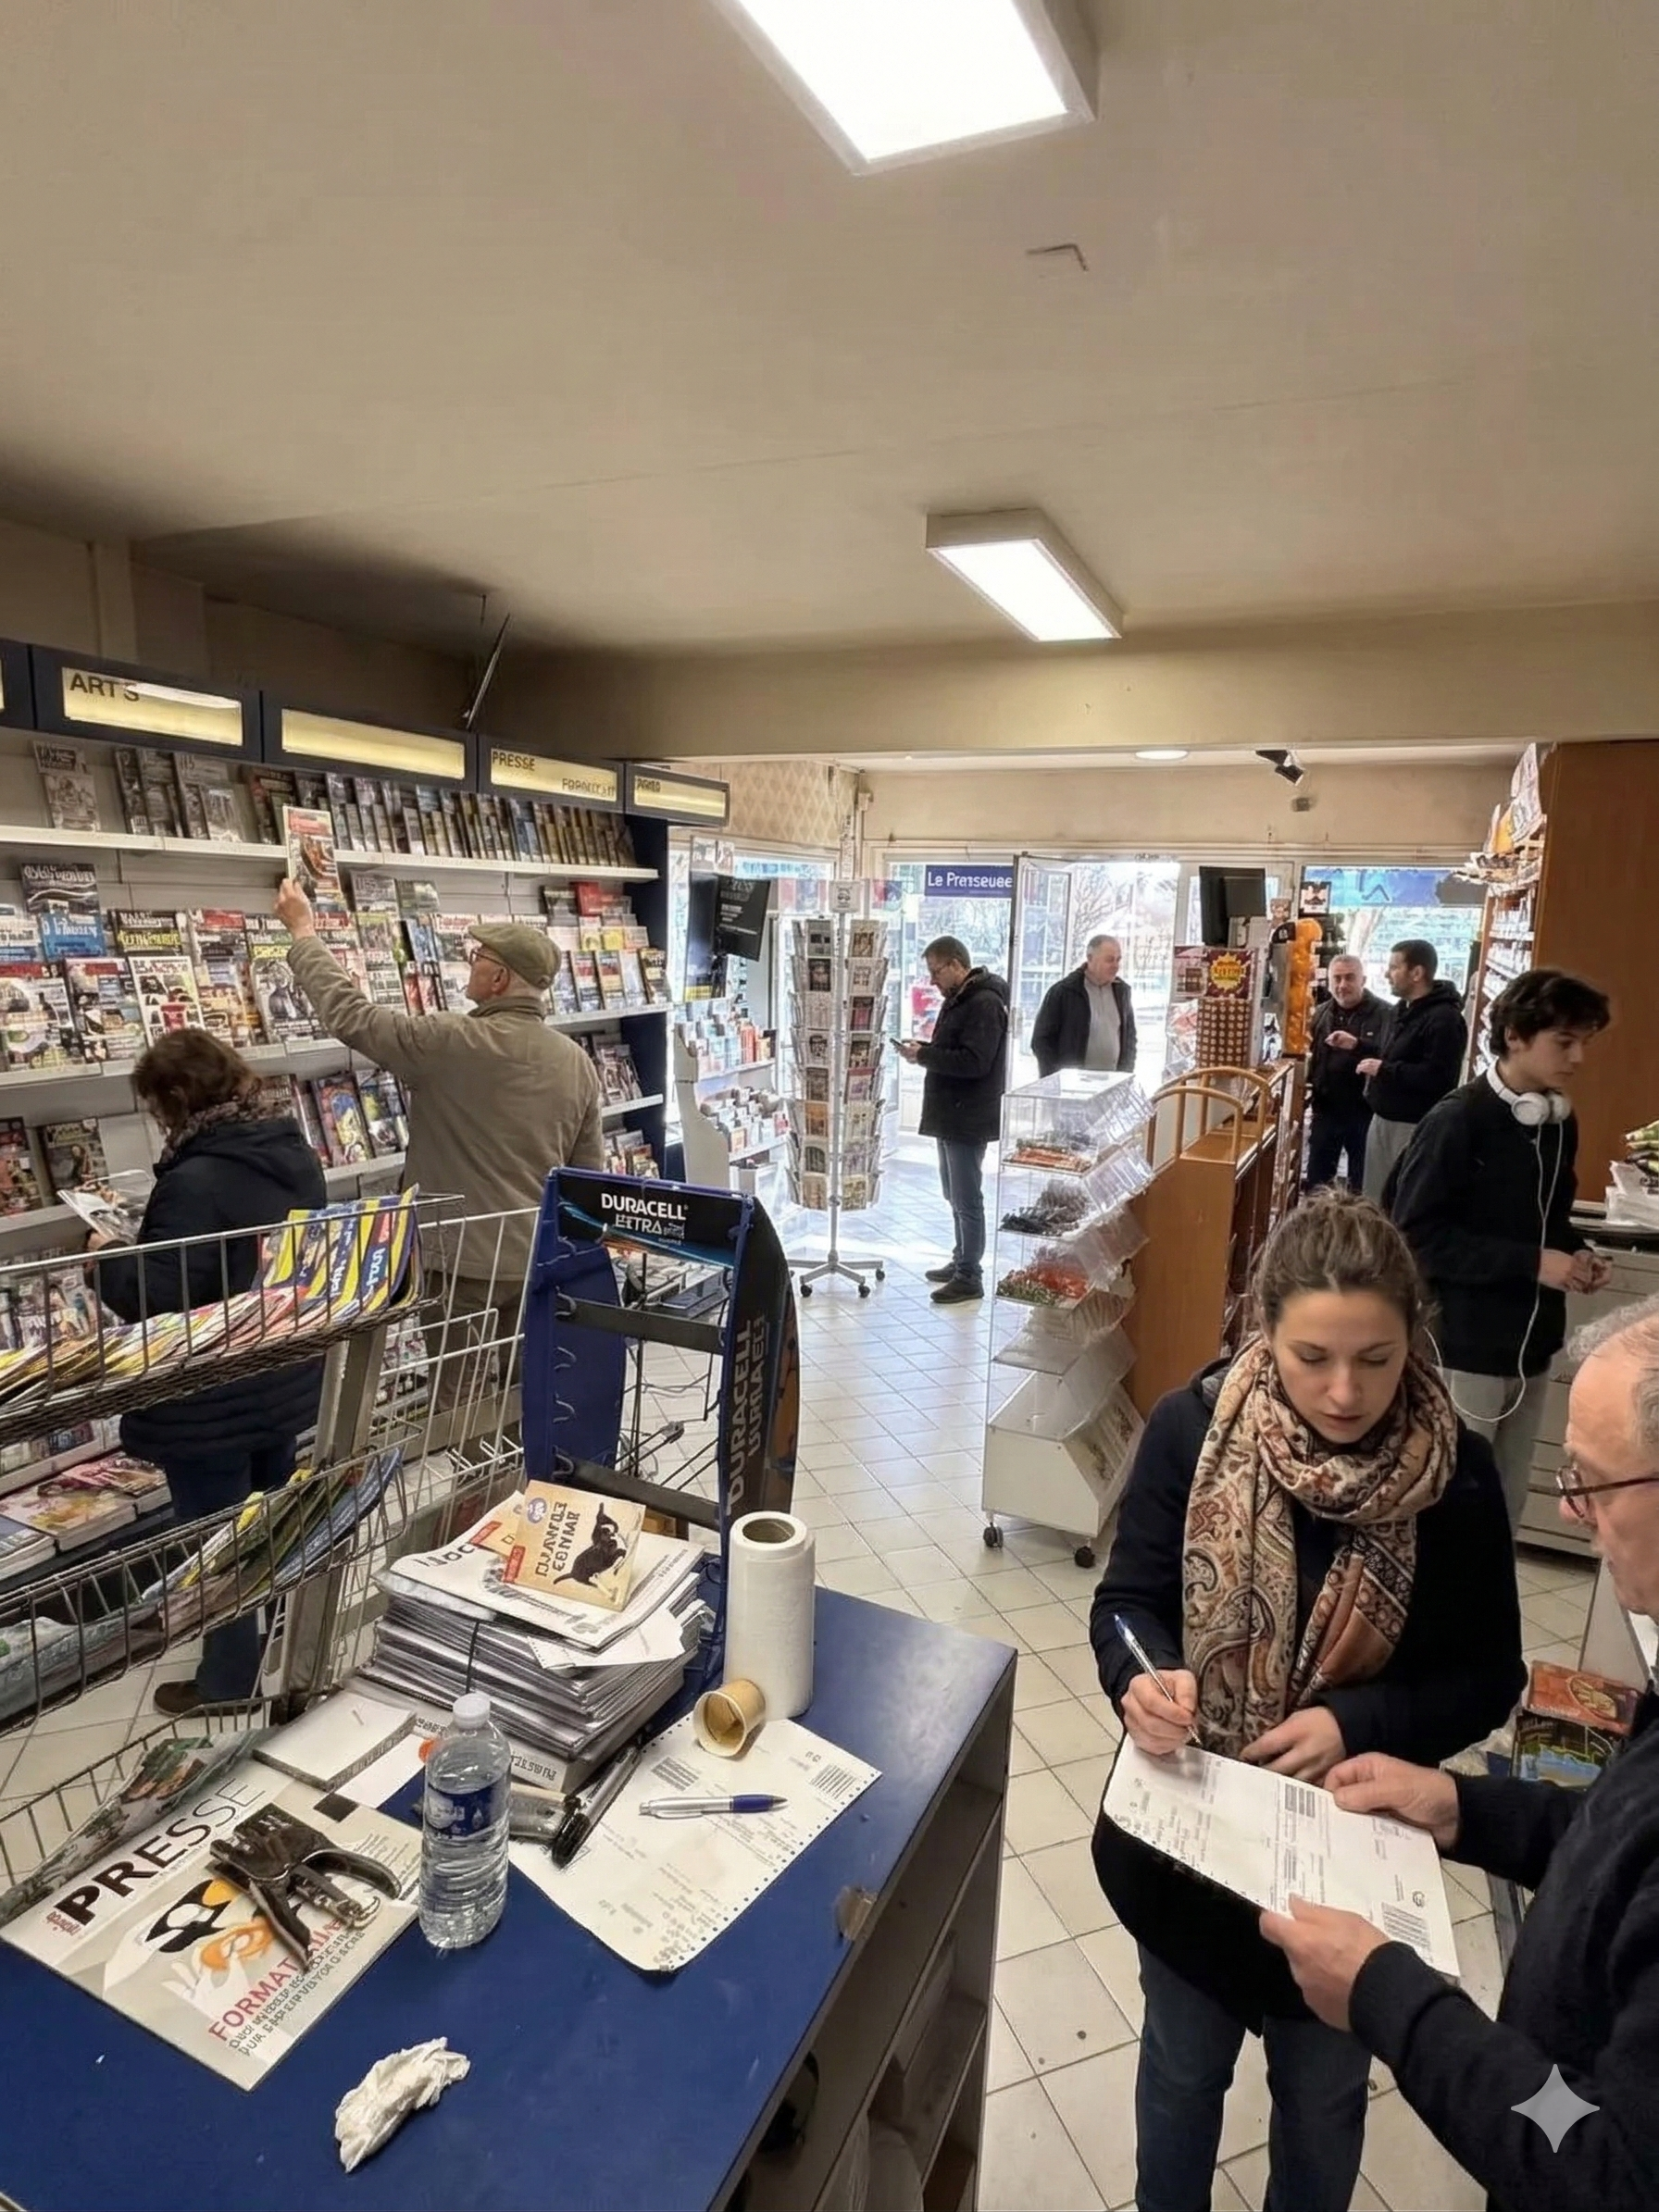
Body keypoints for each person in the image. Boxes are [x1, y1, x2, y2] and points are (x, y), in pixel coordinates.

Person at [1091, 1189, 1522, 2212]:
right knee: (1182, 2071)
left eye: (1374, 1359)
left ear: (1412, 1338)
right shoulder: (1189, 1430)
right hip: (1191, 1850)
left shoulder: (1455, 1473)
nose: (1341, 1392)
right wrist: (1143, 1677)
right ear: (1261, 1330)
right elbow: (1125, 1603)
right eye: (1310, 1356)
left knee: (1323, 2098)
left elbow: (1488, 1673)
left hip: (1347, 1861)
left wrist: (1354, 1722)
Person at [1263, 1295, 1659, 2210]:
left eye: (1591, 1483)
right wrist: (1459, 1805)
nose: (1572, 1511)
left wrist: (1387, 1995)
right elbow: (1620, 1845)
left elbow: (1601, 2156)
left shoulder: (1457, 1479)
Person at [275, 880, 605, 1397]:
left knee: (461, 1404)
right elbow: (587, 1179)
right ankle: (520, 1479)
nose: (468, 964)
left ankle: (477, 1482)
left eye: (476, 957)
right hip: (534, 1259)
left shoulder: (451, 1041)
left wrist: (303, 933)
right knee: (526, 1400)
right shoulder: (576, 1063)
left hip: (459, 1264)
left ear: (499, 978)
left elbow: (352, 1017)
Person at [92, 1030, 327, 1716]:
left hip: (208, 1396)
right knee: (276, 1523)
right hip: (281, 1374)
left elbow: (160, 1292)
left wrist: (103, 1255)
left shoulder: (193, 1179)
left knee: (215, 1542)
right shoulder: (292, 1152)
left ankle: (227, 1682)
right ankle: (281, 1646)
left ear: (173, 1099)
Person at [1389, 967, 1613, 1528]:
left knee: (1502, 1508)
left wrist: (1577, 1253)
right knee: (1449, 1505)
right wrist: (1535, 1263)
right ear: (1514, 1034)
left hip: (1531, 1343)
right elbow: (1415, 1236)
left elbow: (1550, 1217)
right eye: (1564, 1041)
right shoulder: (1458, 1120)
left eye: (1584, 1042)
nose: (1578, 1059)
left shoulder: (1558, 1121)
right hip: (1463, 1347)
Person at [897, 936, 1009, 1306]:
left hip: (968, 1115)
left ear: (957, 965)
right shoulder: (960, 1000)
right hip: (952, 1112)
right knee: (952, 1192)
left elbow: (975, 1061)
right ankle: (961, 1257)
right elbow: (954, 1051)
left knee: (966, 1195)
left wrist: (925, 1056)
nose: (932, 981)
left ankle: (969, 1275)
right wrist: (925, 1052)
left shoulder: (985, 1003)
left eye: (936, 972)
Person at [1358, 939, 1467, 1202]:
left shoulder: (1445, 1020)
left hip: (1411, 1126)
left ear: (1417, 973)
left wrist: (1385, 1070)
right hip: (1383, 1118)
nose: (1387, 974)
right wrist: (1359, 1046)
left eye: (1394, 967)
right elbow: (1396, 1052)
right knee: (1373, 1198)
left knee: (1400, 1201)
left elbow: (1439, 1077)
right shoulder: (1402, 1010)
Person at [1304, 953, 1391, 1192]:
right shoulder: (1320, 1013)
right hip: (1326, 1109)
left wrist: (1357, 1045)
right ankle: (1317, 1228)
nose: (1342, 985)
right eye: (1337, 979)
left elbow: (1393, 1059)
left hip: (1365, 1112)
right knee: (1317, 1182)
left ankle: (1356, 1228)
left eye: (1349, 978)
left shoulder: (1386, 1015)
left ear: (1363, 979)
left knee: (1362, 1183)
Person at [1030, 934, 1138, 1077]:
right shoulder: (1064, 992)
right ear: (1090, 958)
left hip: (1112, 1083)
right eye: (1109, 960)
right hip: (1071, 1087)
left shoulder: (1122, 992)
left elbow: (1129, 1038)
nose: (1116, 966)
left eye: (1118, 960)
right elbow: (1041, 1040)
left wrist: (1125, 1073)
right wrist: (1055, 1077)